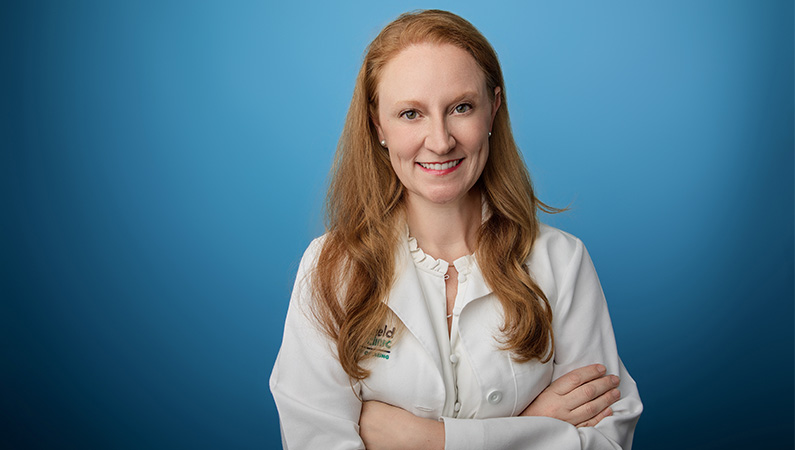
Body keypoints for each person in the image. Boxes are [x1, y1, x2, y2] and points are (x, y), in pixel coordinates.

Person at [270, 9, 642, 449]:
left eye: (461, 107)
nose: (441, 140)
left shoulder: (561, 262)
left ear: (493, 110)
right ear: (377, 125)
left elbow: (606, 441)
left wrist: (425, 439)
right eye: (411, 114)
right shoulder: (331, 268)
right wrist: (533, 427)